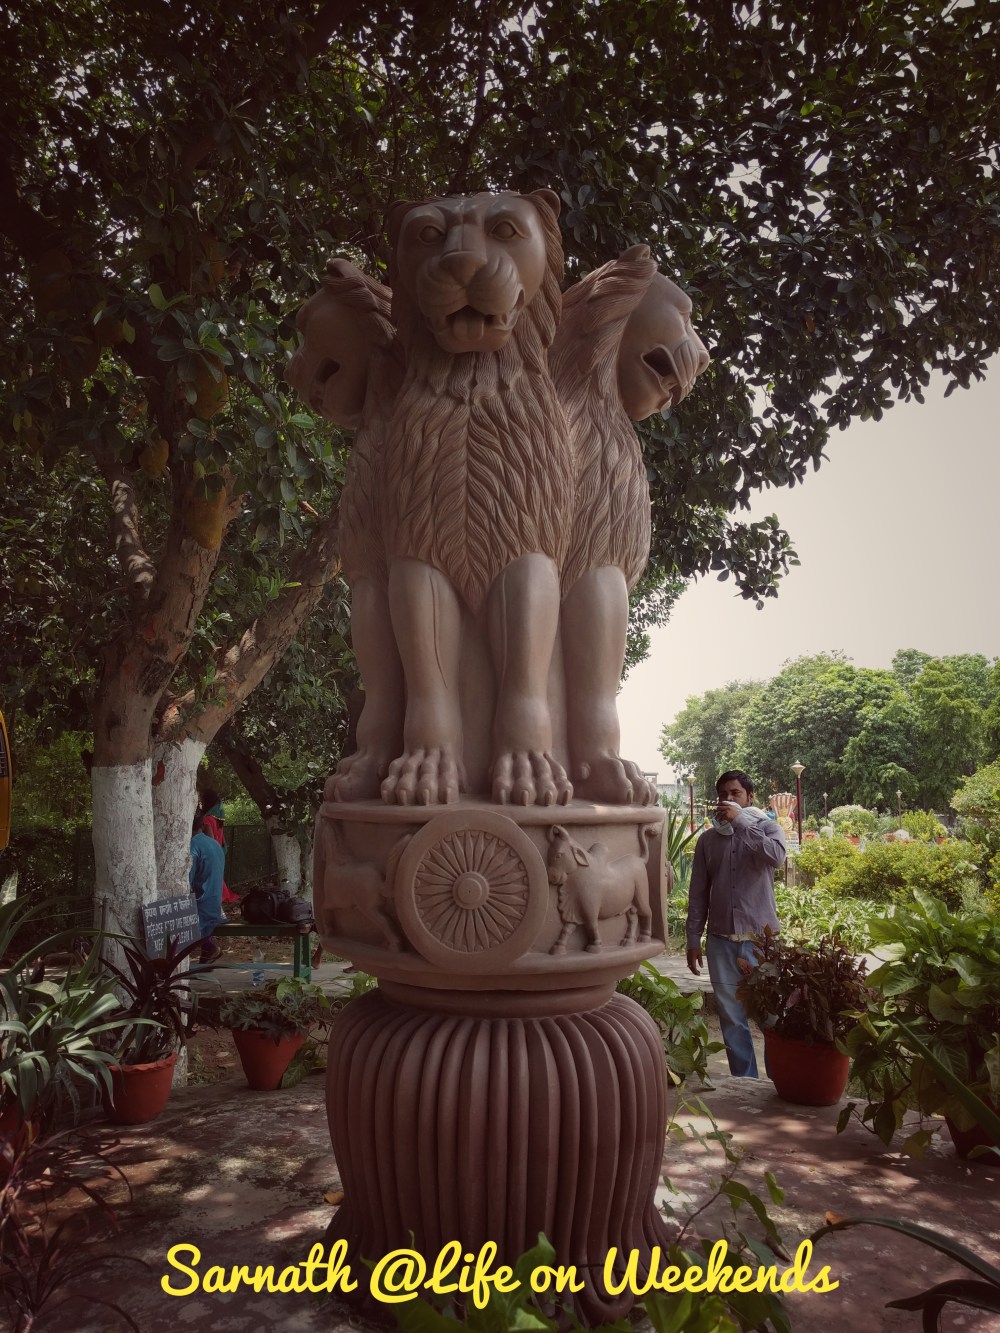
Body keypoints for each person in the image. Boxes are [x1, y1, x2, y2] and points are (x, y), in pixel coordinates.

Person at [686, 769, 786, 1078]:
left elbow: (776, 858)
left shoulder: (768, 829)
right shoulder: (707, 841)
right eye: (723, 795)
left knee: (771, 1015)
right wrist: (692, 939)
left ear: (749, 797)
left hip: (760, 941)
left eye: (735, 794)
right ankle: (746, 1082)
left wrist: (741, 821)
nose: (727, 800)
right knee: (731, 1017)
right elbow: (698, 892)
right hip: (720, 942)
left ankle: (779, 1080)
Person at [190, 813, 226, 964]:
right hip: (216, 904)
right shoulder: (214, 844)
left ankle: (210, 947)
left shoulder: (192, 845)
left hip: (201, 906)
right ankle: (207, 952)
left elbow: (187, 880)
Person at [198, 787, 239, 904]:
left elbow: (210, 838)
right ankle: (221, 895)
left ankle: (218, 896)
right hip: (220, 849)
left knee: (211, 876)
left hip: (211, 851)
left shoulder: (207, 818)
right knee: (217, 875)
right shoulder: (218, 819)